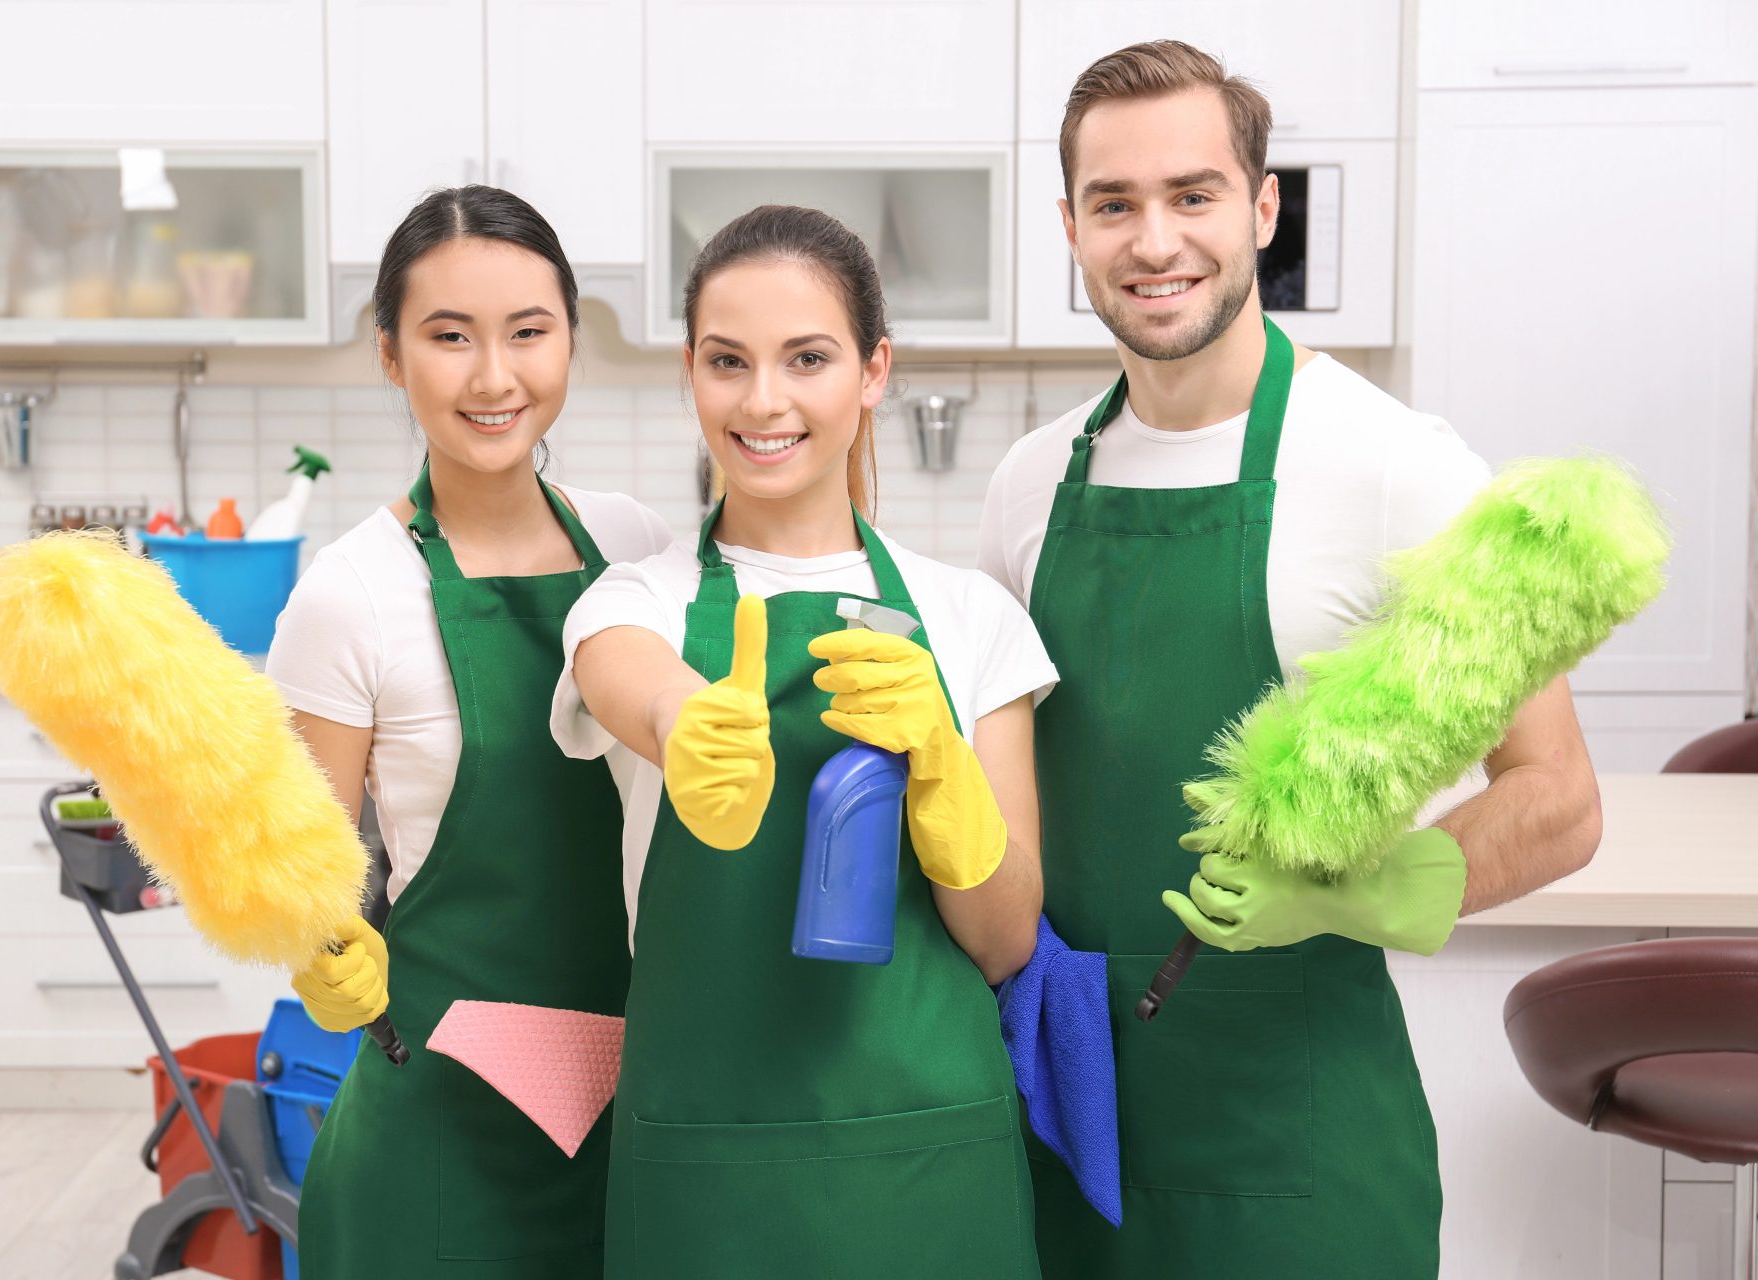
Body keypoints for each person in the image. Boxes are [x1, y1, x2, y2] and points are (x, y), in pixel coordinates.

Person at [977, 41, 1603, 1278]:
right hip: (1066, 1128)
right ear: (1071, 227)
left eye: (1193, 194)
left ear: (1263, 207)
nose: (1155, 240)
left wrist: (1354, 894)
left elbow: (1560, 798)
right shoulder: (1029, 481)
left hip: (1299, 1155)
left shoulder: (1396, 467)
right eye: (1115, 204)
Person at [555, 204, 1054, 1278]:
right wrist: (690, 725)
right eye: (727, 361)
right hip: (706, 1171)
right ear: (690, 371)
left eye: (808, 358)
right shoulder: (633, 601)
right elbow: (630, 681)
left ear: (874, 370)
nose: (764, 400)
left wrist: (944, 777)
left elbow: (1009, 940)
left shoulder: (970, 617)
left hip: (930, 1163)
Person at [266, 185, 675, 1278]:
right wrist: (319, 950)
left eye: (528, 333)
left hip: (641, 1119)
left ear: (570, 342)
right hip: (439, 1144)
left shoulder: (637, 545)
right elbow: (304, 872)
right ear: (392, 355)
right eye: (449, 337)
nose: (494, 378)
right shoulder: (350, 592)